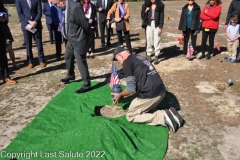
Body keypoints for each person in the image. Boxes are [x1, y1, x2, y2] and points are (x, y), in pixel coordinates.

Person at [112, 45, 184, 132]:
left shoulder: (127, 62)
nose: (118, 62)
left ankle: (162, 117)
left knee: (131, 115)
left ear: (119, 55)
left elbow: (131, 89)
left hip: (151, 94)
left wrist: (120, 94)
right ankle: (171, 114)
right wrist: (124, 94)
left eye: (117, 59)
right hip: (161, 91)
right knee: (141, 108)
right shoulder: (139, 57)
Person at [60, 0, 92, 94]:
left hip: (79, 39)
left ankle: (86, 84)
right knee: (68, 56)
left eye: (56, 4)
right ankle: (70, 75)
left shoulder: (75, 7)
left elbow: (85, 24)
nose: (56, 6)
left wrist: (89, 38)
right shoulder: (66, 7)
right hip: (71, 39)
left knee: (80, 61)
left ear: (62, 1)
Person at [16, 0, 46, 68]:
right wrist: (29, 21)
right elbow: (20, 13)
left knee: (39, 44)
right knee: (28, 44)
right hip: (26, 25)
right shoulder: (19, 1)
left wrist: (35, 22)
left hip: (36, 25)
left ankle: (41, 60)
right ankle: (30, 61)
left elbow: (39, 11)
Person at [0, 0, 17, 84]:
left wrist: (4, 19)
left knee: (3, 56)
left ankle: (6, 76)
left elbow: (5, 17)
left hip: (1, 34)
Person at [143, 0, 164, 64]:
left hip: (156, 25)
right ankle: (149, 55)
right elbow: (143, 17)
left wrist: (160, 27)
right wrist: (146, 11)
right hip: (149, 25)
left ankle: (156, 56)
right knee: (149, 40)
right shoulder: (147, 5)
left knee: (157, 40)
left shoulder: (160, 6)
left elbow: (162, 17)